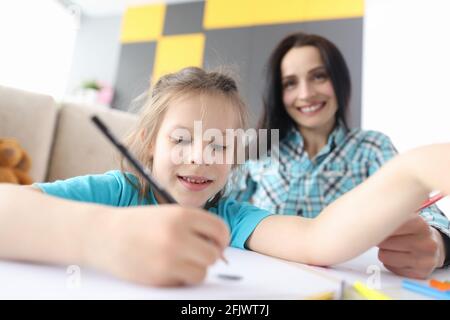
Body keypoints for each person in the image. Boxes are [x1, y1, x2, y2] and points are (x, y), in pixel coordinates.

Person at [0, 67, 448, 288]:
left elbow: (318, 241)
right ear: (148, 142)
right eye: (182, 140)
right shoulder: (114, 192)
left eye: (219, 145)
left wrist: (408, 171)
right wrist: (102, 235)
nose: (201, 158)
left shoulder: (231, 217)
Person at [228, 32, 450, 279]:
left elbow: (430, 215)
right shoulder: (260, 150)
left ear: (340, 80)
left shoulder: (372, 147)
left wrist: (439, 245)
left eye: (319, 76)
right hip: (265, 285)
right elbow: (221, 207)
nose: (305, 94)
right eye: (290, 83)